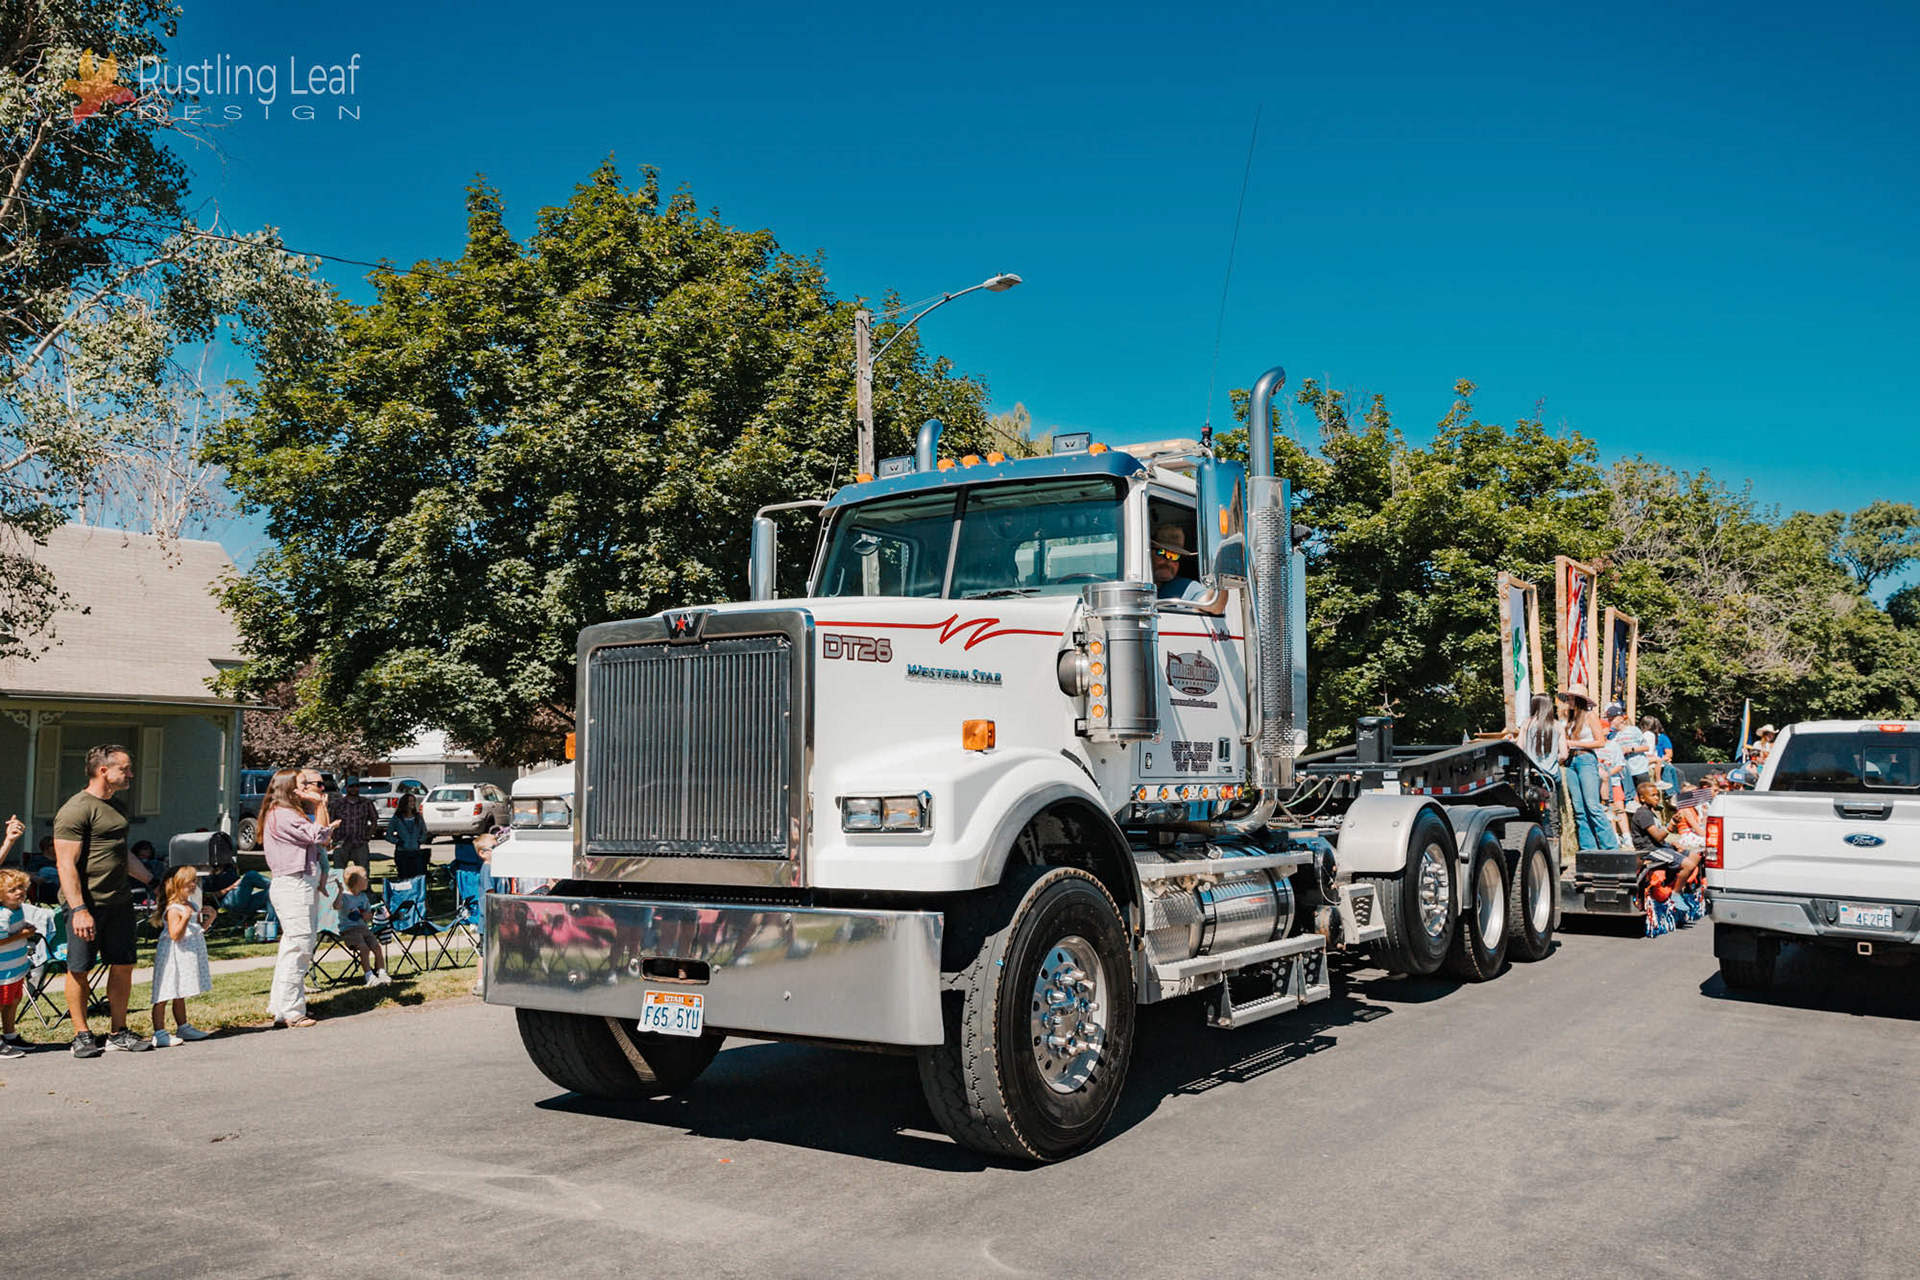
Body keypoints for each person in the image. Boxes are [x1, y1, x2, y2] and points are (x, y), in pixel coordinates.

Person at [54, 742, 157, 1056]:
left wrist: (153, 881)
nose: (130, 774)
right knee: (80, 968)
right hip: (86, 905)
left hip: (119, 901)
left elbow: (121, 854)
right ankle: (81, 1034)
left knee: (123, 964)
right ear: (103, 770)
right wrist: (79, 909)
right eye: (124, 768)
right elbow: (65, 863)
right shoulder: (76, 809)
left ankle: (118, 1031)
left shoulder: (117, 806)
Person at [262, 767, 337, 1029]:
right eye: (303, 783)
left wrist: (319, 810)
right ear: (288, 788)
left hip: (301, 883)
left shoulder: (289, 813)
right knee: (301, 947)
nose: (309, 788)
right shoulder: (282, 815)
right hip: (293, 884)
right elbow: (319, 835)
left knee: (291, 947)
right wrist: (318, 806)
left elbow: (322, 836)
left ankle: (281, 1007)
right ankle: (293, 1010)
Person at [147, 865, 213, 1047]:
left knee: (179, 991)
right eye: (190, 882)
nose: (194, 885)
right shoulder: (174, 909)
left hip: (185, 955)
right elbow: (176, 934)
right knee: (165, 991)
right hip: (173, 955)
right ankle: (159, 1032)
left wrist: (210, 918)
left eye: (195, 881)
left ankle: (183, 1025)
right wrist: (184, 917)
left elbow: (197, 930)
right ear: (177, 885)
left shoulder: (190, 906)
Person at [1561, 686, 1619, 852]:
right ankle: (1589, 848)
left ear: (1579, 700)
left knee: (1592, 805)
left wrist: (1575, 743)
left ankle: (1610, 847)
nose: (1569, 701)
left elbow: (1600, 742)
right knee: (1579, 808)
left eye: (1572, 698)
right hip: (1571, 761)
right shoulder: (1570, 719)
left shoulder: (1589, 716)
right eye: (1569, 698)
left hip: (1586, 759)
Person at [1149, 524, 1226, 615]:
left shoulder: (1185, 587)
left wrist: (1221, 570)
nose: (1169, 562)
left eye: (1175, 556)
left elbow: (1214, 606)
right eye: (1162, 552)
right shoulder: (1133, 582)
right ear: (1149, 553)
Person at [332, 866, 390, 987]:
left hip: (363, 928)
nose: (367, 881)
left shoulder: (363, 897)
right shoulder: (345, 897)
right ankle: (369, 976)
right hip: (349, 930)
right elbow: (336, 906)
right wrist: (340, 891)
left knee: (376, 947)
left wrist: (366, 915)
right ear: (356, 881)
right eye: (365, 878)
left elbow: (368, 914)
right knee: (364, 948)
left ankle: (382, 972)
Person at [0, 868, 36, 1056]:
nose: (19, 892)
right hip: (2, 971)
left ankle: (10, 1034)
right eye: (12, 890)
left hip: (15, 968)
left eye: (21, 887)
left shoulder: (18, 908)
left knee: (13, 1001)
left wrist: (24, 929)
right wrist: (21, 935)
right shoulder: (2, 915)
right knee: (2, 1002)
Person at [331, 780, 377, 872]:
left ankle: (364, 887)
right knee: (338, 871)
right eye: (351, 786)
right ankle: (339, 887)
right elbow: (329, 820)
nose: (354, 789)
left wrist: (368, 836)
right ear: (346, 787)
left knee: (363, 871)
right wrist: (333, 836)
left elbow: (374, 821)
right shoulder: (337, 803)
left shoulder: (366, 803)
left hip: (360, 842)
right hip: (340, 842)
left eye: (356, 786)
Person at [387, 793, 428, 880]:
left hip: (416, 852)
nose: (412, 803)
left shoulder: (418, 818)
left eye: (413, 801)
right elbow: (388, 835)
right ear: (404, 803)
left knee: (417, 876)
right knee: (404, 876)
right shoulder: (397, 818)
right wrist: (398, 841)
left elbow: (424, 832)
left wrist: (420, 841)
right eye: (410, 801)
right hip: (402, 853)